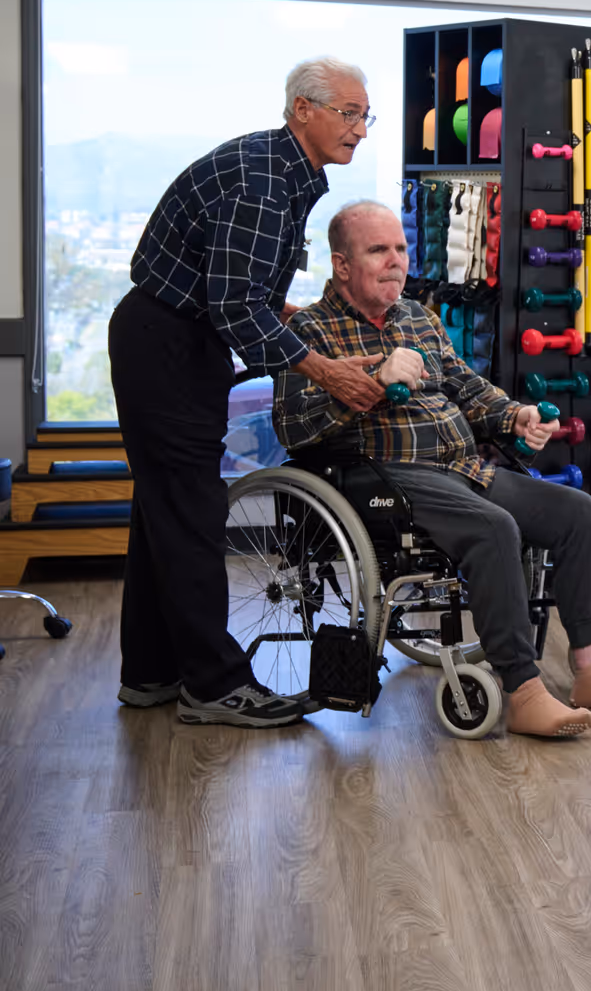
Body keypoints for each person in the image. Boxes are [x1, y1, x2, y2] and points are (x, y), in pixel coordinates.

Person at [273, 200, 591, 739]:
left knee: (576, 512)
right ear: (342, 265)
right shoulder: (311, 334)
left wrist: (517, 416)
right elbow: (294, 430)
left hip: (463, 468)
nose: (396, 262)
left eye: (401, 249)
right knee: (493, 528)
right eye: (378, 251)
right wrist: (372, 383)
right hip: (383, 477)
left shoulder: (418, 317)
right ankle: (524, 692)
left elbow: (468, 389)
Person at [111, 57, 394, 727]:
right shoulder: (264, 183)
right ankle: (214, 686)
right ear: (303, 110)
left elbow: (248, 294)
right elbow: (235, 306)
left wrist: (312, 327)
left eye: (365, 116)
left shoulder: (289, 174)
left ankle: (151, 672)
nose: (359, 129)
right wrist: (324, 370)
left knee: (164, 515)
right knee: (192, 514)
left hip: (179, 336)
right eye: (347, 114)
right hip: (168, 343)